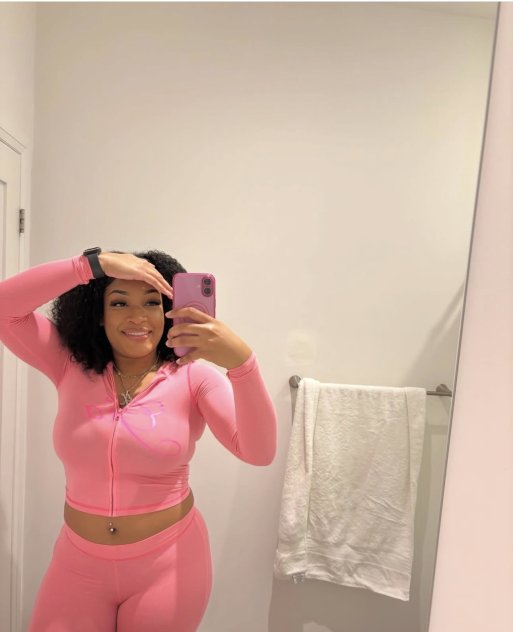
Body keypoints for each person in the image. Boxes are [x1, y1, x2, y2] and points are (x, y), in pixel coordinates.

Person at [0, 248, 277, 632]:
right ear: (99, 313)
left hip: (168, 564)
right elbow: (5, 309)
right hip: (77, 565)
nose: (137, 316)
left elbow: (259, 452)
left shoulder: (194, 378)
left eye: (151, 302)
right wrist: (90, 265)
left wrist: (243, 364)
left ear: (169, 311)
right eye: (119, 302)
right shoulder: (68, 364)